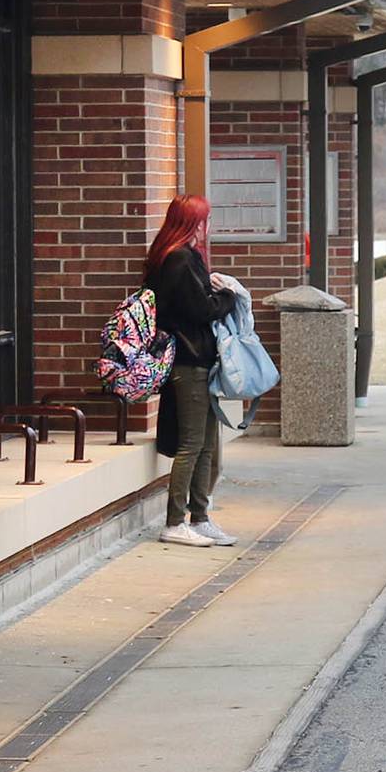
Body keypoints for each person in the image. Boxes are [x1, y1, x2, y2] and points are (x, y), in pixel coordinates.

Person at [145, 195, 239, 548]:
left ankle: (199, 518)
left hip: (197, 361)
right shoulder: (181, 259)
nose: (208, 226)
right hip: (189, 362)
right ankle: (175, 522)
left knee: (207, 444)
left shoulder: (171, 256)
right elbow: (202, 310)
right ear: (194, 224)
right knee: (193, 444)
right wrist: (227, 296)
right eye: (205, 219)